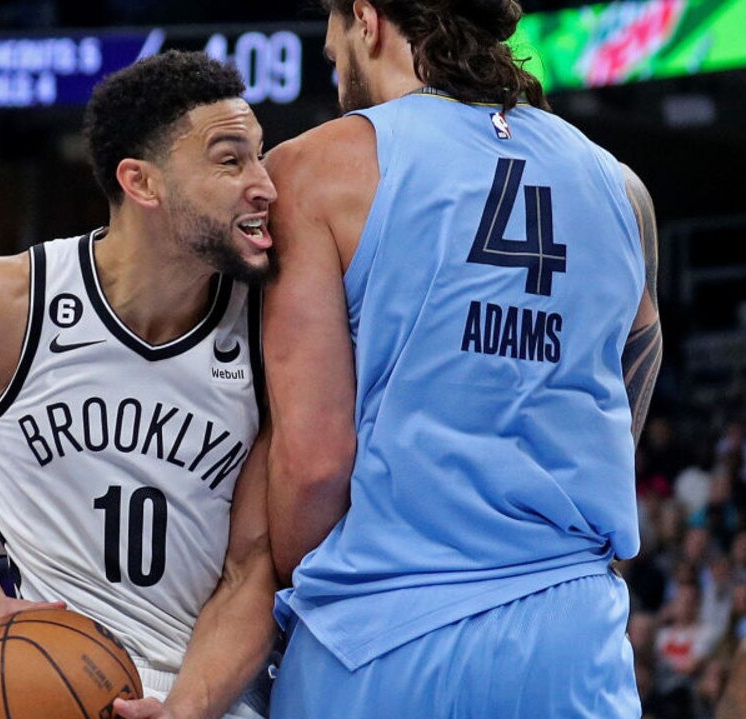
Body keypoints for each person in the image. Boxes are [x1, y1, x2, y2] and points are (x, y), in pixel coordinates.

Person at [262, 0, 663, 716]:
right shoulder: (619, 185)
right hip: (571, 638)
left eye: (330, 19)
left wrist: (297, 591)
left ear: (365, 17)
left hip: (380, 633)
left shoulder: (311, 168)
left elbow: (314, 460)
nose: (327, 45)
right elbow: (636, 362)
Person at [0, 50, 277, 719]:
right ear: (141, 182)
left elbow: (252, 567)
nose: (264, 183)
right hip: (46, 681)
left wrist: (184, 710)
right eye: (230, 159)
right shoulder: (0, 304)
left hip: (206, 694)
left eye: (260, 156)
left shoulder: (274, 331)